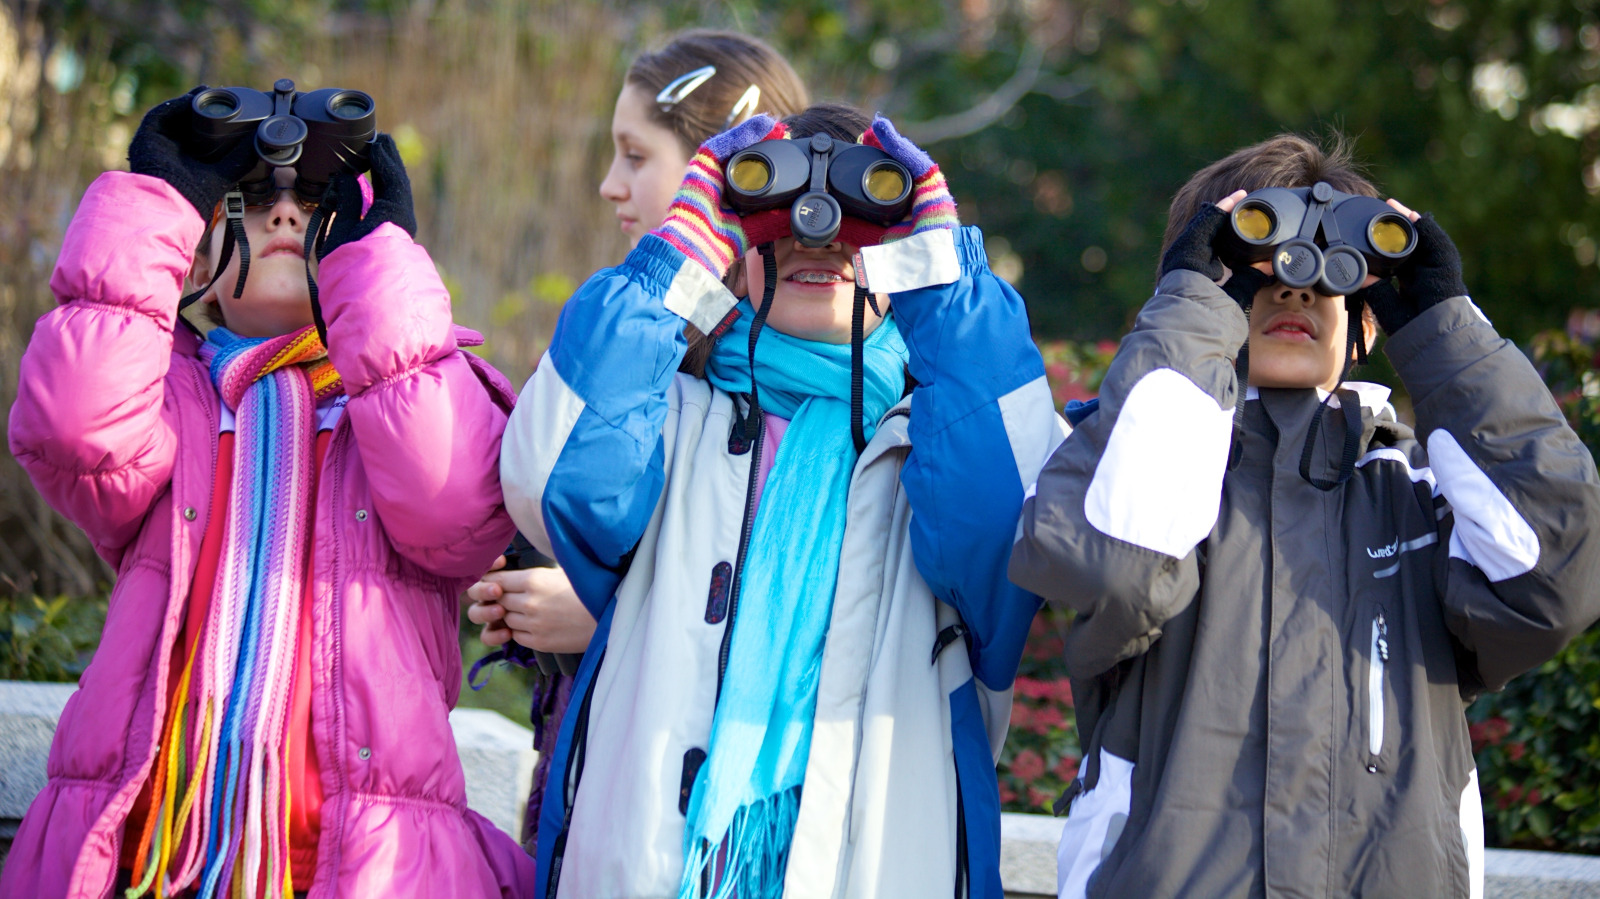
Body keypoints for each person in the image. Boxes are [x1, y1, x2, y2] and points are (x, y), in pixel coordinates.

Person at [1009, 133, 1600, 899]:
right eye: (1258, 265)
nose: (1294, 290)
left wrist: (1441, 321)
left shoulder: (1422, 492)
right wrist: (1194, 310)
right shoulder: (1137, 470)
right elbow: (1113, 568)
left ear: (1368, 318)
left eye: (1330, 272)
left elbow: (1554, 576)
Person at [500, 102, 1063, 898]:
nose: (820, 233)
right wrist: (680, 258)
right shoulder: (667, 424)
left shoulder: (929, 452)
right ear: (738, 245)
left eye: (863, 213)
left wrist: (939, 275)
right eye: (780, 212)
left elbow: (1009, 524)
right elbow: (551, 476)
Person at [2, 88, 533, 898]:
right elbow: (73, 425)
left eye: (317, 201)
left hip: (356, 857)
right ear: (205, 253)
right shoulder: (168, 398)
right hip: (153, 852)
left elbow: (450, 499)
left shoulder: (398, 403)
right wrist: (162, 198)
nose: (286, 216)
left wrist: (374, 261)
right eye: (250, 200)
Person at [461, 29, 808, 852]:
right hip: (591, 784)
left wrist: (603, 616)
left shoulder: (790, 367)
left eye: (635, 155)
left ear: (715, 175)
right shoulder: (627, 334)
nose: (610, 185)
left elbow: (792, 599)